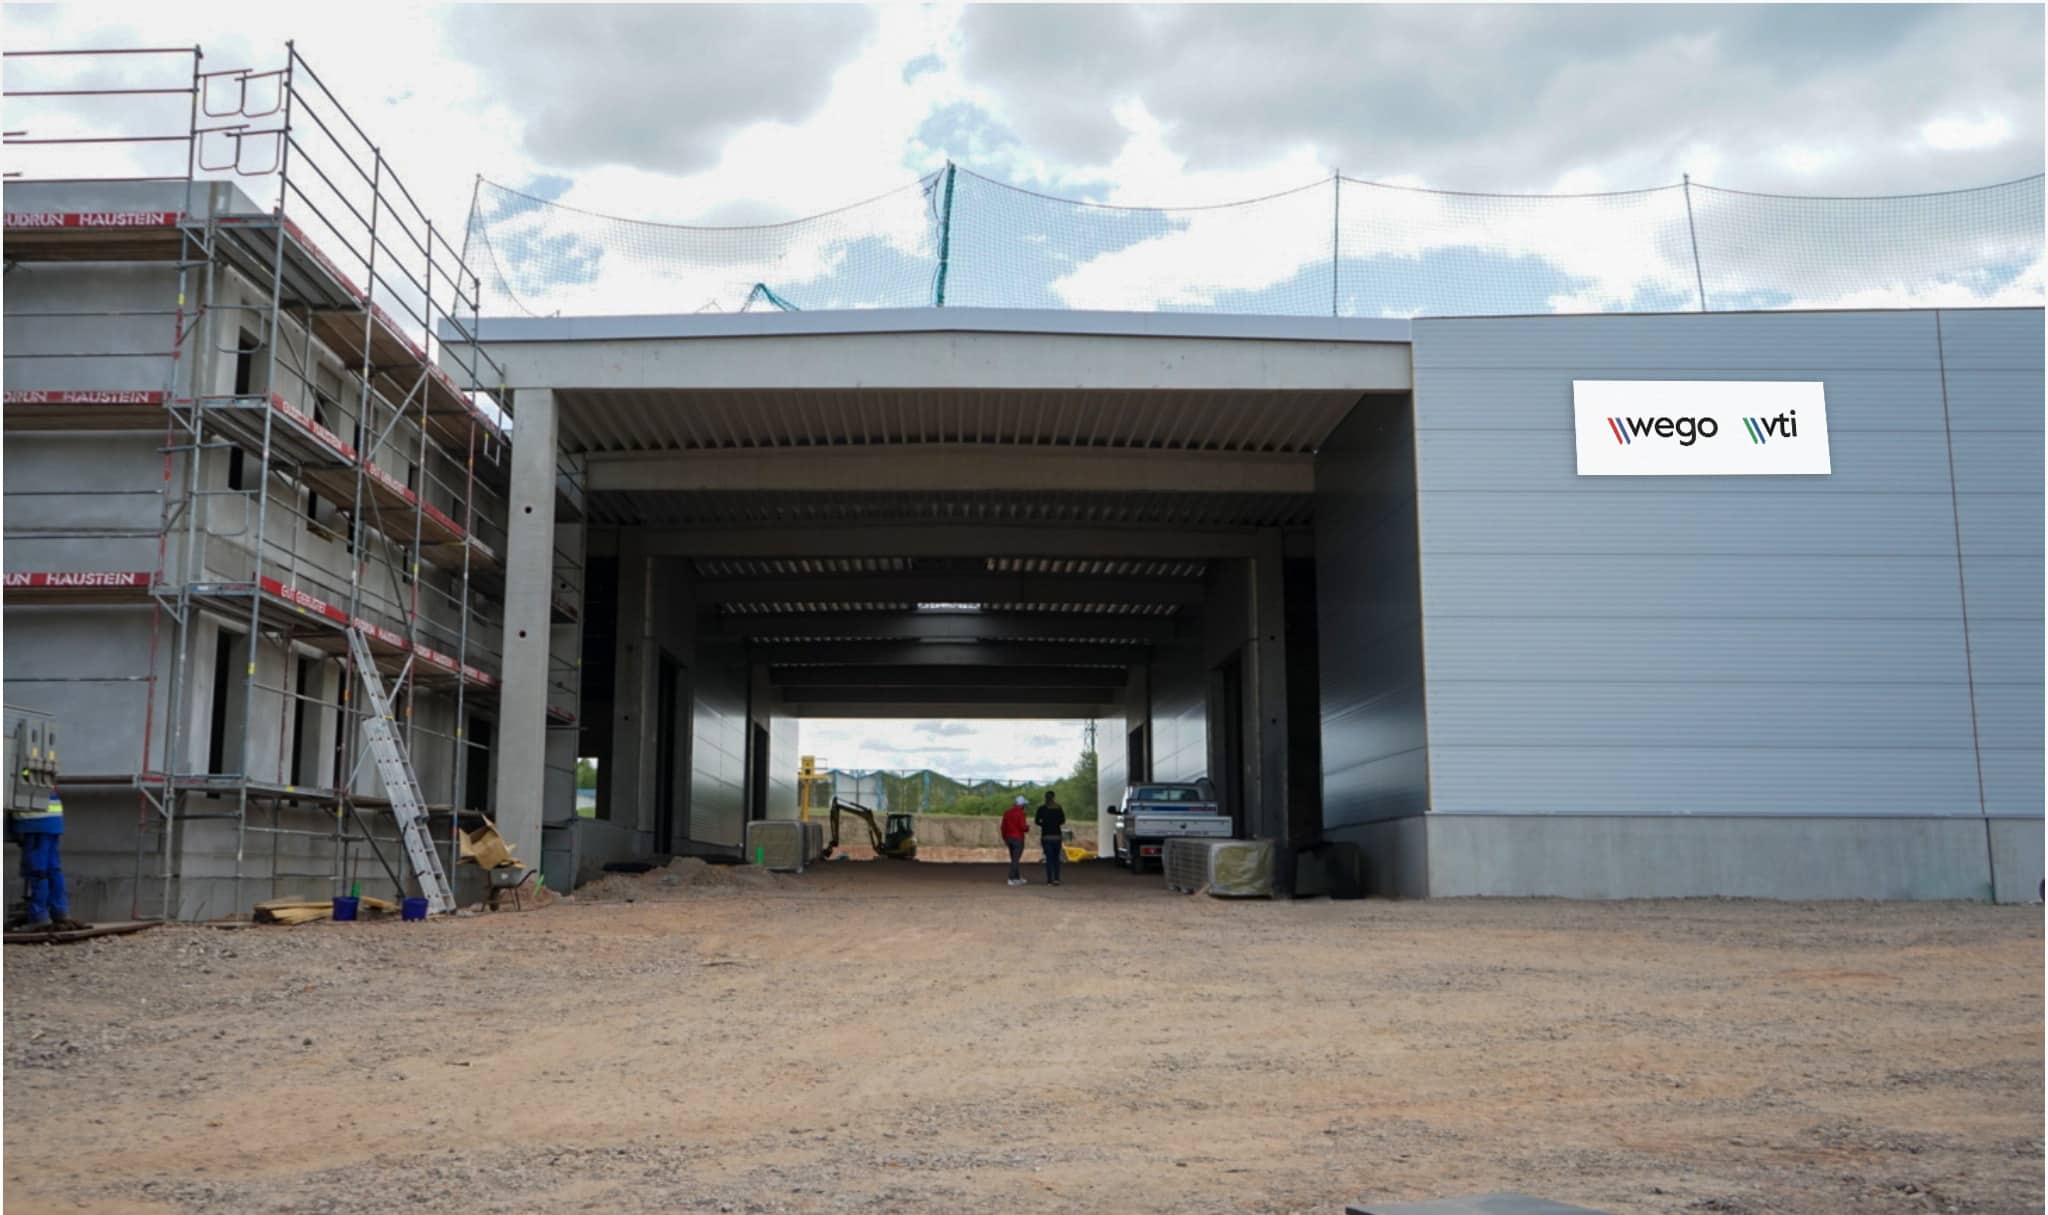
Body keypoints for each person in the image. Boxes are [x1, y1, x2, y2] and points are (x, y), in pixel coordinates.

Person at [6, 793, 72, 932]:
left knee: (37, 871)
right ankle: (59, 912)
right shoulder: (41, 773)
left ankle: (38, 916)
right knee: (53, 868)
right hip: (53, 820)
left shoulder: (23, 772)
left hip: (35, 822)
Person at [1035, 790, 1067, 887]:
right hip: (1057, 836)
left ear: (1046, 797)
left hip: (1046, 836)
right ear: (1054, 797)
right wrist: (1055, 824)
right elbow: (1063, 820)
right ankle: (1056, 879)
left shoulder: (1041, 809)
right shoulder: (1058, 808)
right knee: (1056, 859)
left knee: (1049, 858)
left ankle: (1049, 880)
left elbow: (1037, 821)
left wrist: (1044, 824)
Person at [1000, 795, 1030, 887]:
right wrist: (1027, 828)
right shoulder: (1021, 813)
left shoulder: (1007, 812)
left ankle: (1017, 878)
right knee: (1016, 859)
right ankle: (1011, 878)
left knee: (1014, 859)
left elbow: (1003, 827)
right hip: (1018, 838)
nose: (1025, 806)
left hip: (1009, 838)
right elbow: (1022, 827)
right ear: (1021, 805)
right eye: (1024, 804)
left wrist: (1005, 838)